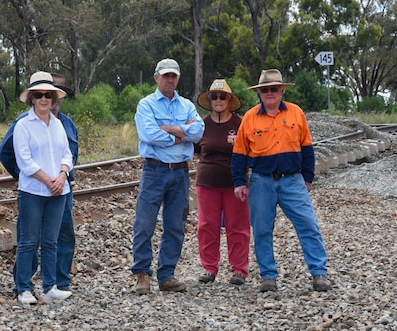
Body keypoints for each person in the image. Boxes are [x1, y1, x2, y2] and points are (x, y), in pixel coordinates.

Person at [231, 69, 331, 293]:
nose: (269, 93)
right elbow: (239, 154)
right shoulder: (249, 118)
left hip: (293, 180)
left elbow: (307, 147)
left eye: (273, 89)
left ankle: (319, 273)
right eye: (265, 90)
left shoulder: (296, 113)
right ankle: (268, 276)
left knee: (308, 225)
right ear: (259, 93)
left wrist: (307, 177)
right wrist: (239, 181)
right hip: (261, 182)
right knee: (262, 230)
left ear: (282, 90)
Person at [0, 73, 79, 295]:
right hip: (33, 190)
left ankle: (53, 285)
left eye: (49, 94)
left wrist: (62, 176)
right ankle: (23, 286)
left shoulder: (62, 124)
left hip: (60, 190)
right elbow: (18, 157)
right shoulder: (23, 125)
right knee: (29, 240)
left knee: (55, 239)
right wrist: (38, 177)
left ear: (55, 98)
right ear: (32, 97)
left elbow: (68, 154)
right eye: (40, 94)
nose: (45, 98)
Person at [131, 58, 204, 295]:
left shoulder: (187, 106)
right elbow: (150, 134)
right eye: (165, 76)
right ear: (156, 78)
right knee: (145, 223)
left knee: (176, 225)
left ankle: (166, 275)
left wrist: (169, 129)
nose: (169, 80)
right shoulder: (146, 105)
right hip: (154, 170)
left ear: (178, 78)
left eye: (173, 76)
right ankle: (142, 274)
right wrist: (182, 133)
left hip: (180, 172)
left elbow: (199, 131)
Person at [194, 79, 250, 285]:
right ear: (209, 100)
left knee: (238, 226)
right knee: (207, 226)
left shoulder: (240, 123)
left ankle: (240, 270)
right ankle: (209, 268)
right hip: (207, 182)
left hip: (235, 183)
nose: (218, 100)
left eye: (222, 96)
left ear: (229, 100)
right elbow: (196, 150)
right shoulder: (202, 124)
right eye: (214, 97)